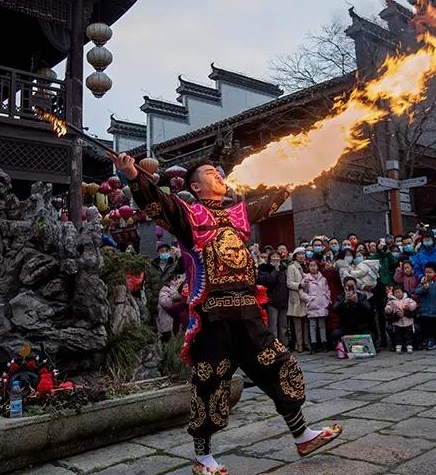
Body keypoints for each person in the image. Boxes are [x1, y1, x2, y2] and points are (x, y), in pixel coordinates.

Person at [109, 154, 340, 473]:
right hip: (212, 316)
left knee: (279, 366)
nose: (218, 175)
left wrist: (295, 173)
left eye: (217, 172)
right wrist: (133, 174)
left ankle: (302, 435)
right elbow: (157, 202)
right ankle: (202, 458)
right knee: (210, 383)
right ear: (195, 185)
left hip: (247, 312)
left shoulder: (237, 214)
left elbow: (267, 203)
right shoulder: (188, 214)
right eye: (208, 173)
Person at [145, 242, 184, 325]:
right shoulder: (151, 266)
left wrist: (180, 256)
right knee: (155, 326)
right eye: (162, 251)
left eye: (166, 251)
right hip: (154, 304)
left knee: (168, 328)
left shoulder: (173, 265)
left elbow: (182, 268)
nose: (164, 253)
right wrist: (151, 298)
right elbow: (147, 284)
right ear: (158, 252)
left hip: (168, 303)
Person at [414, 263, 436, 349]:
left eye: (430, 272)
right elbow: (417, 292)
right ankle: (430, 340)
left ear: (435, 272)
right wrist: (424, 289)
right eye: (426, 272)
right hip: (425, 310)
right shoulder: (423, 282)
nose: (428, 274)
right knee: (428, 326)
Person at [331, 278, 374, 346]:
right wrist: (345, 302)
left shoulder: (362, 296)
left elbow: (368, 309)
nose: (350, 287)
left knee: (370, 336)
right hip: (345, 327)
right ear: (344, 286)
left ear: (355, 286)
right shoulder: (340, 297)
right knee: (335, 334)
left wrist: (357, 301)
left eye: (352, 285)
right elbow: (335, 309)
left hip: (360, 326)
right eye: (348, 285)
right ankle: (342, 348)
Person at [300, 260, 331, 353]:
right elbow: (302, 292)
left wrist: (327, 299)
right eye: (311, 266)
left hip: (321, 303)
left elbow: (327, 289)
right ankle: (313, 345)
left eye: (315, 265)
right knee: (312, 325)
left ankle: (324, 343)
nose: (313, 267)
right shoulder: (306, 278)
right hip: (312, 304)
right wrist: (308, 299)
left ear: (318, 267)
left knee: (322, 325)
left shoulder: (323, 278)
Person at [258, 252, 288, 345]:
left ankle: (284, 345)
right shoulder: (265, 269)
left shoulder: (284, 268)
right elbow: (269, 281)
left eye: (277, 256)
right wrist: (274, 270)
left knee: (283, 326)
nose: (275, 258)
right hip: (272, 300)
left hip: (283, 300)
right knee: (273, 326)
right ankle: (274, 346)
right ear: (269, 258)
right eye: (273, 256)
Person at [286, 247, 310, 354]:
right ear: (295, 256)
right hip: (296, 298)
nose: (301, 256)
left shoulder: (305, 267)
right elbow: (289, 283)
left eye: (303, 254)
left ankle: (307, 343)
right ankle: (299, 344)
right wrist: (299, 285)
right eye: (299, 254)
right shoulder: (292, 267)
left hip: (305, 297)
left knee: (306, 322)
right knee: (297, 323)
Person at [384, 285, 418, 354]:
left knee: (408, 334)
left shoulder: (407, 299)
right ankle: (398, 346)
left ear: (403, 292)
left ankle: (409, 346)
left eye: (399, 292)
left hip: (407, 321)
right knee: (398, 335)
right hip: (397, 322)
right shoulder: (392, 301)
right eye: (396, 293)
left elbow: (414, 304)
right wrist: (389, 310)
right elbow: (388, 308)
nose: (398, 294)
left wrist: (408, 307)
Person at [158, 274, 186, 343]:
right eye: (174, 280)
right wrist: (173, 298)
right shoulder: (164, 291)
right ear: (169, 282)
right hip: (167, 322)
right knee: (167, 340)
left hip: (173, 321)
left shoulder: (174, 290)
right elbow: (165, 303)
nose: (176, 281)